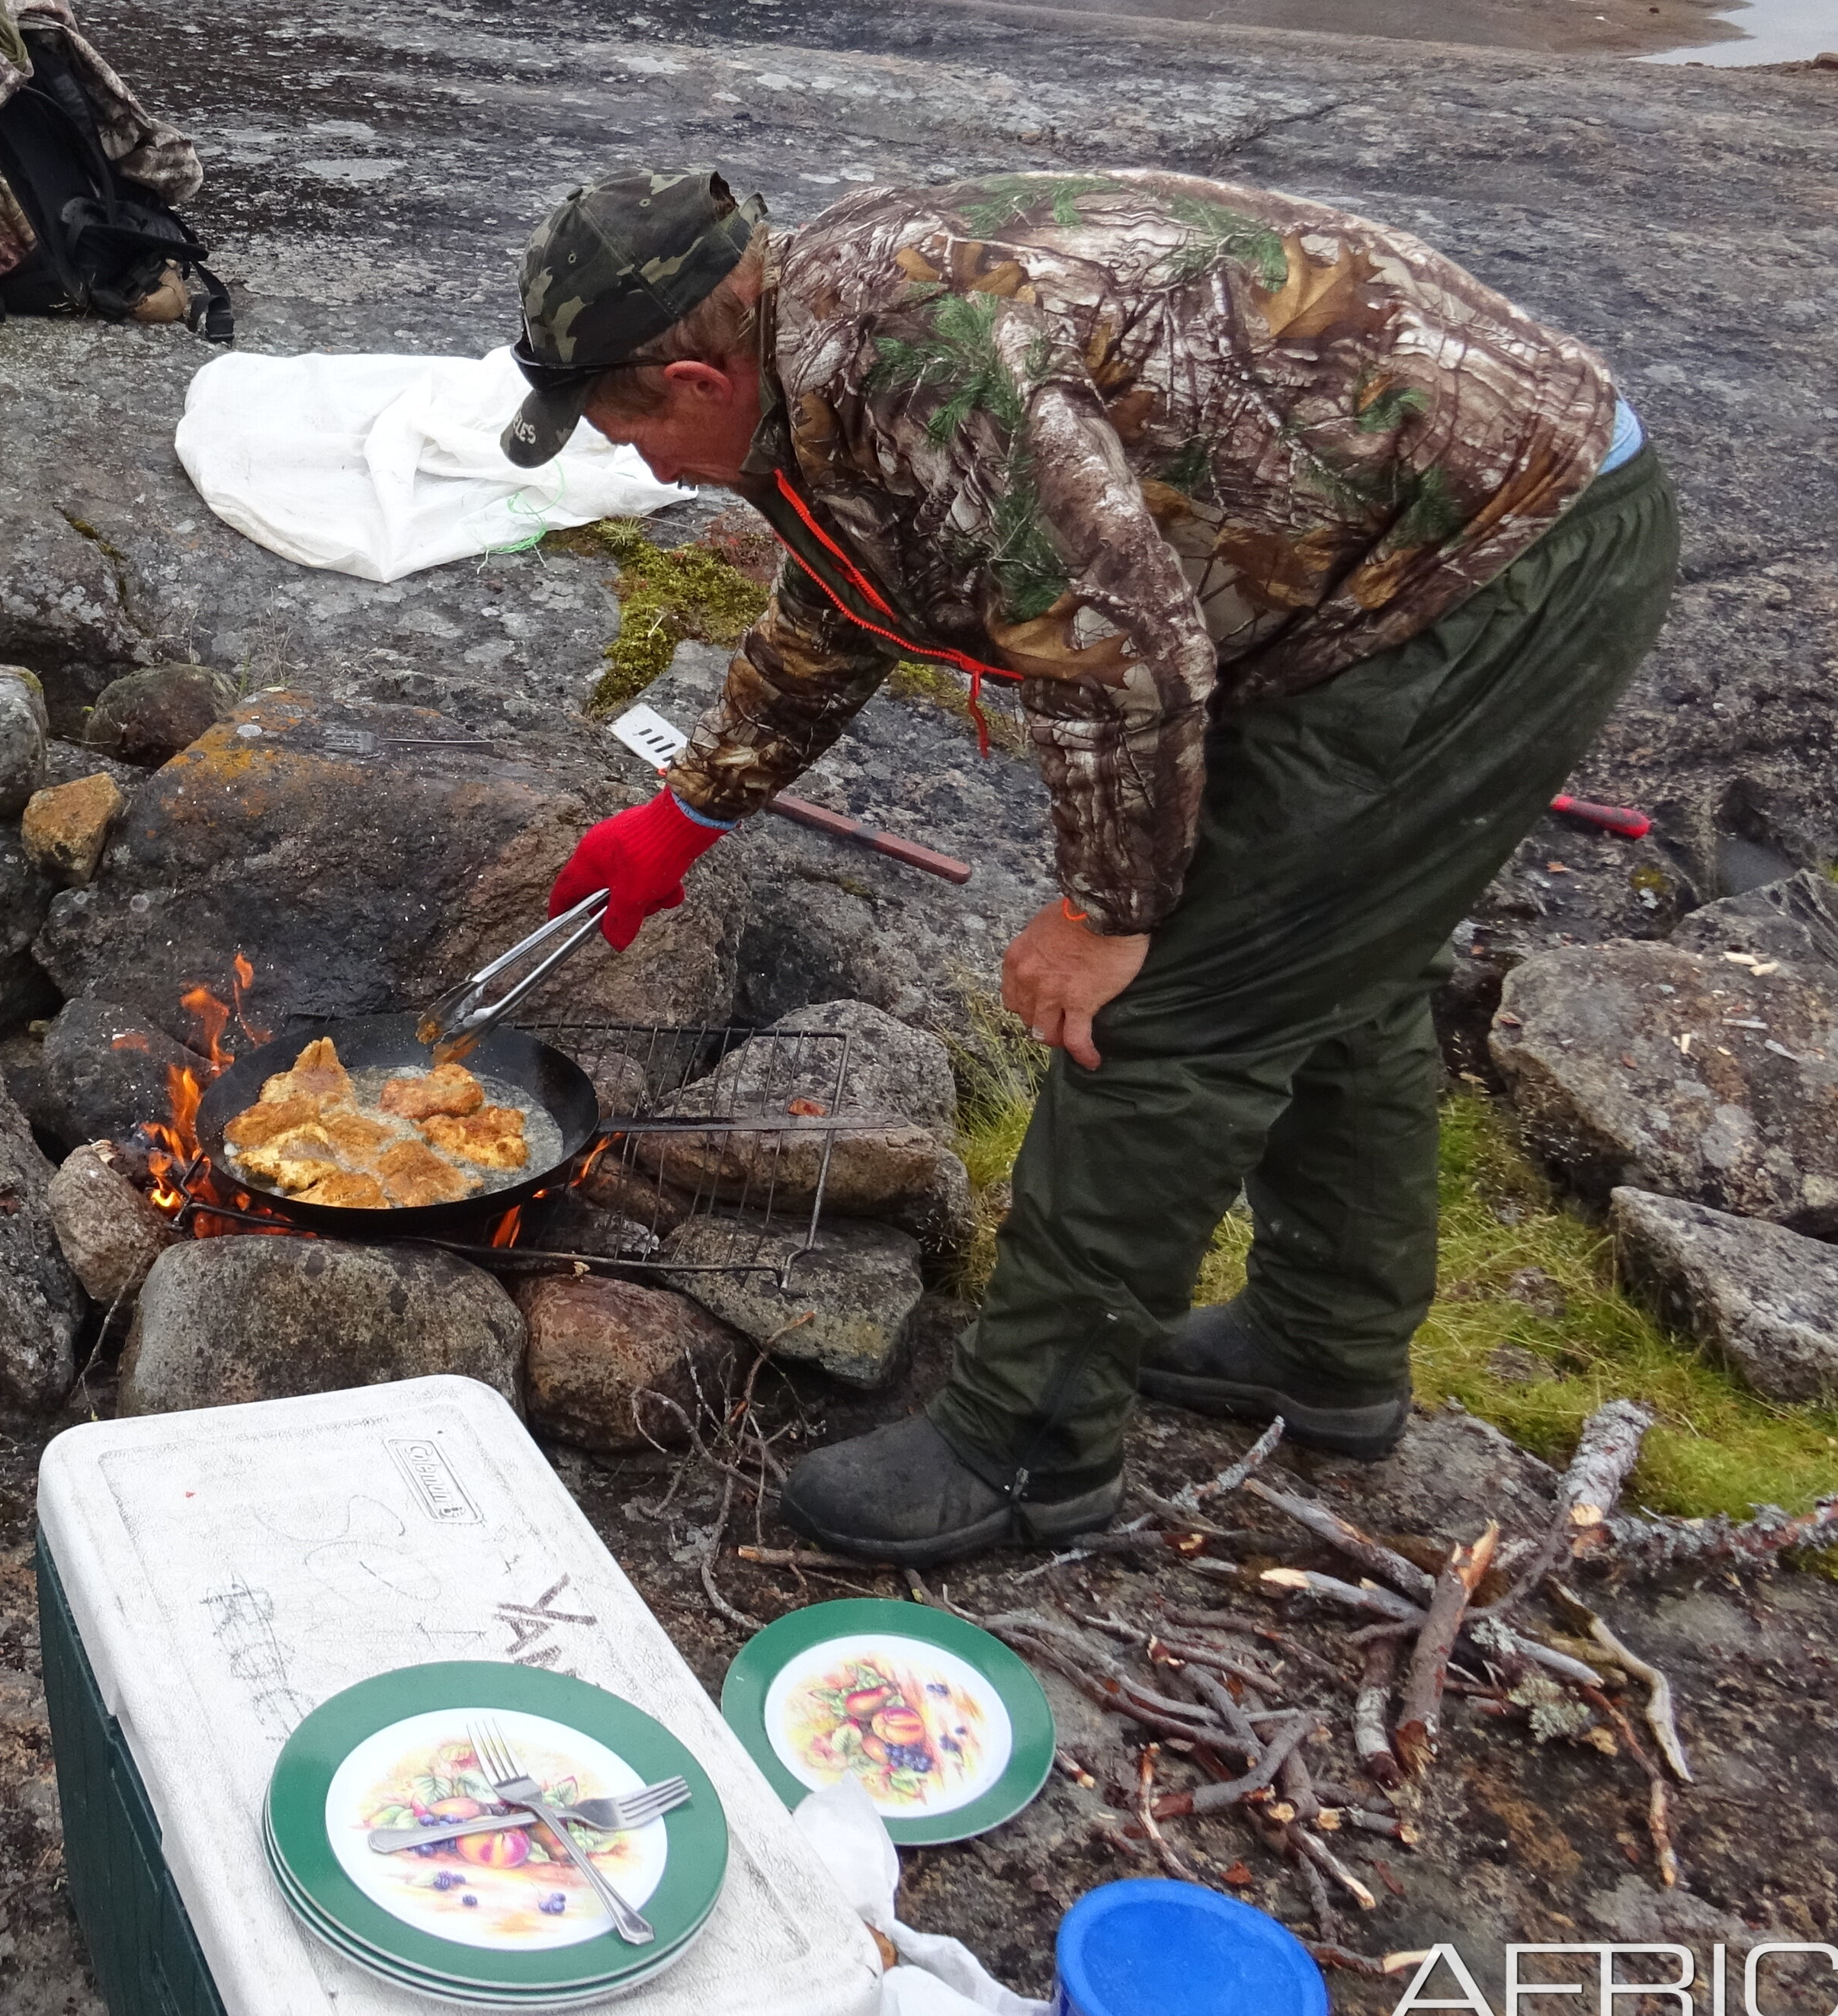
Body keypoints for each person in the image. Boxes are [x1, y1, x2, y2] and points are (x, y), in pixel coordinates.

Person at [512, 167, 1675, 1564]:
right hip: (1392, 553)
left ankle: (1028, 1449)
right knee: (1330, 967)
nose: (635, 468)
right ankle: (1324, 1346)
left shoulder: (925, 362)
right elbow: (857, 584)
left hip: (1491, 560)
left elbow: (1118, 645)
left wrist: (1108, 915)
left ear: (697, 374)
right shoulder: (804, 348)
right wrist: (691, 811)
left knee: (1172, 1005)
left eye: (626, 429)